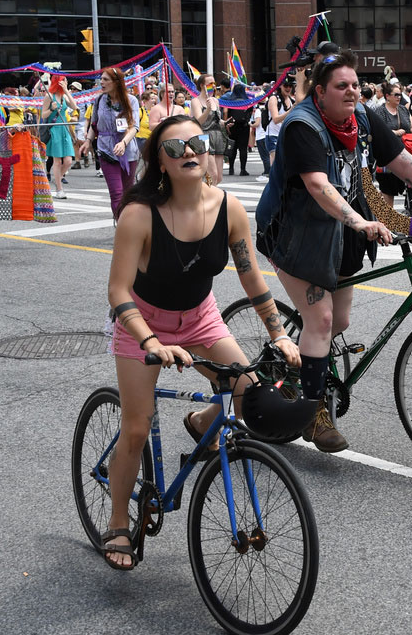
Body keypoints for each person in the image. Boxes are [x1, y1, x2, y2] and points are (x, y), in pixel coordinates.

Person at [102, 114, 300, 570]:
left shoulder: (228, 208)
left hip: (200, 319)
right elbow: (117, 292)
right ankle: (117, 521)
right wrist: (152, 341)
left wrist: (279, 334)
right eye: (175, 149)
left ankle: (201, 422)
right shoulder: (139, 214)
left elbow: (252, 277)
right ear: (161, 163)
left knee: (249, 388)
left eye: (196, 142)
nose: (189, 152)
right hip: (144, 324)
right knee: (136, 428)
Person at [255, 49, 412, 452]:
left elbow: (403, 161)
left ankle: (298, 361)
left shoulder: (363, 119)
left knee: (341, 321)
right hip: (296, 235)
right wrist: (360, 221)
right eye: (342, 86)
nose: (352, 91)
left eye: (355, 84)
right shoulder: (303, 125)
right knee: (320, 320)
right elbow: (319, 186)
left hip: (341, 234)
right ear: (319, 92)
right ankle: (313, 414)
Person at [90, 68, 142, 218]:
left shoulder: (131, 100)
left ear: (116, 82)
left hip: (128, 151)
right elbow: (94, 124)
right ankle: (122, 227)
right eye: (101, 79)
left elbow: (134, 127)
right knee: (117, 193)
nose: (102, 82)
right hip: (106, 151)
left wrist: (124, 143)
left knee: (128, 193)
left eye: (106, 79)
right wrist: (87, 141)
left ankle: (128, 222)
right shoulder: (99, 100)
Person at [371, 81, 412, 207]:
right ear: (387, 96)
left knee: (403, 185)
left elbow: (411, 125)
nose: (399, 97)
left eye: (400, 95)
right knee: (388, 190)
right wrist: (394, 132)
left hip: (405, 152)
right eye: (396, 95)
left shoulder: (403, 110)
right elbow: (377, 131)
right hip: (387, 155)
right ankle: (388, 220)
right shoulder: (380, 111)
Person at [41, 76, 77, 199]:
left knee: (68, 161)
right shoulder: (49, 96)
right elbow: (43, 115)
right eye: (65, 80)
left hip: (65, 128)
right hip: (55, 129)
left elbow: (74, 106)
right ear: (59, 82)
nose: (66, 82)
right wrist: (51, 108)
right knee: (57, 161)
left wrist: (67, 91)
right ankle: (59, 189)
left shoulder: (64, 96)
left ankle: (57, 180)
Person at [190, 74, 226, 184]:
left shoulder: (216, 100)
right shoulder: (196, 101)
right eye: (210, 84)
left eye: (214, 83)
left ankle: (207, 194)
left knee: (219, 177)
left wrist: (224, 123)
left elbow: (217, 120)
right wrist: (208, 109)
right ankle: (210, 199)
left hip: (218, 136)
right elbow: (198, 121)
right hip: (204, 136)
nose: (213, 86)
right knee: (212, 175)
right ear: (202, 85)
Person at [224, 84, 253, 176]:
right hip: (244, 126)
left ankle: (231, 168)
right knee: (243, 149)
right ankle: (243, 169)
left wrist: (227, 123)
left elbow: (225, 112)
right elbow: (250, 112)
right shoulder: (247, 101)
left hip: (232, 126)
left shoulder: (230, 101)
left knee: (232, 148)